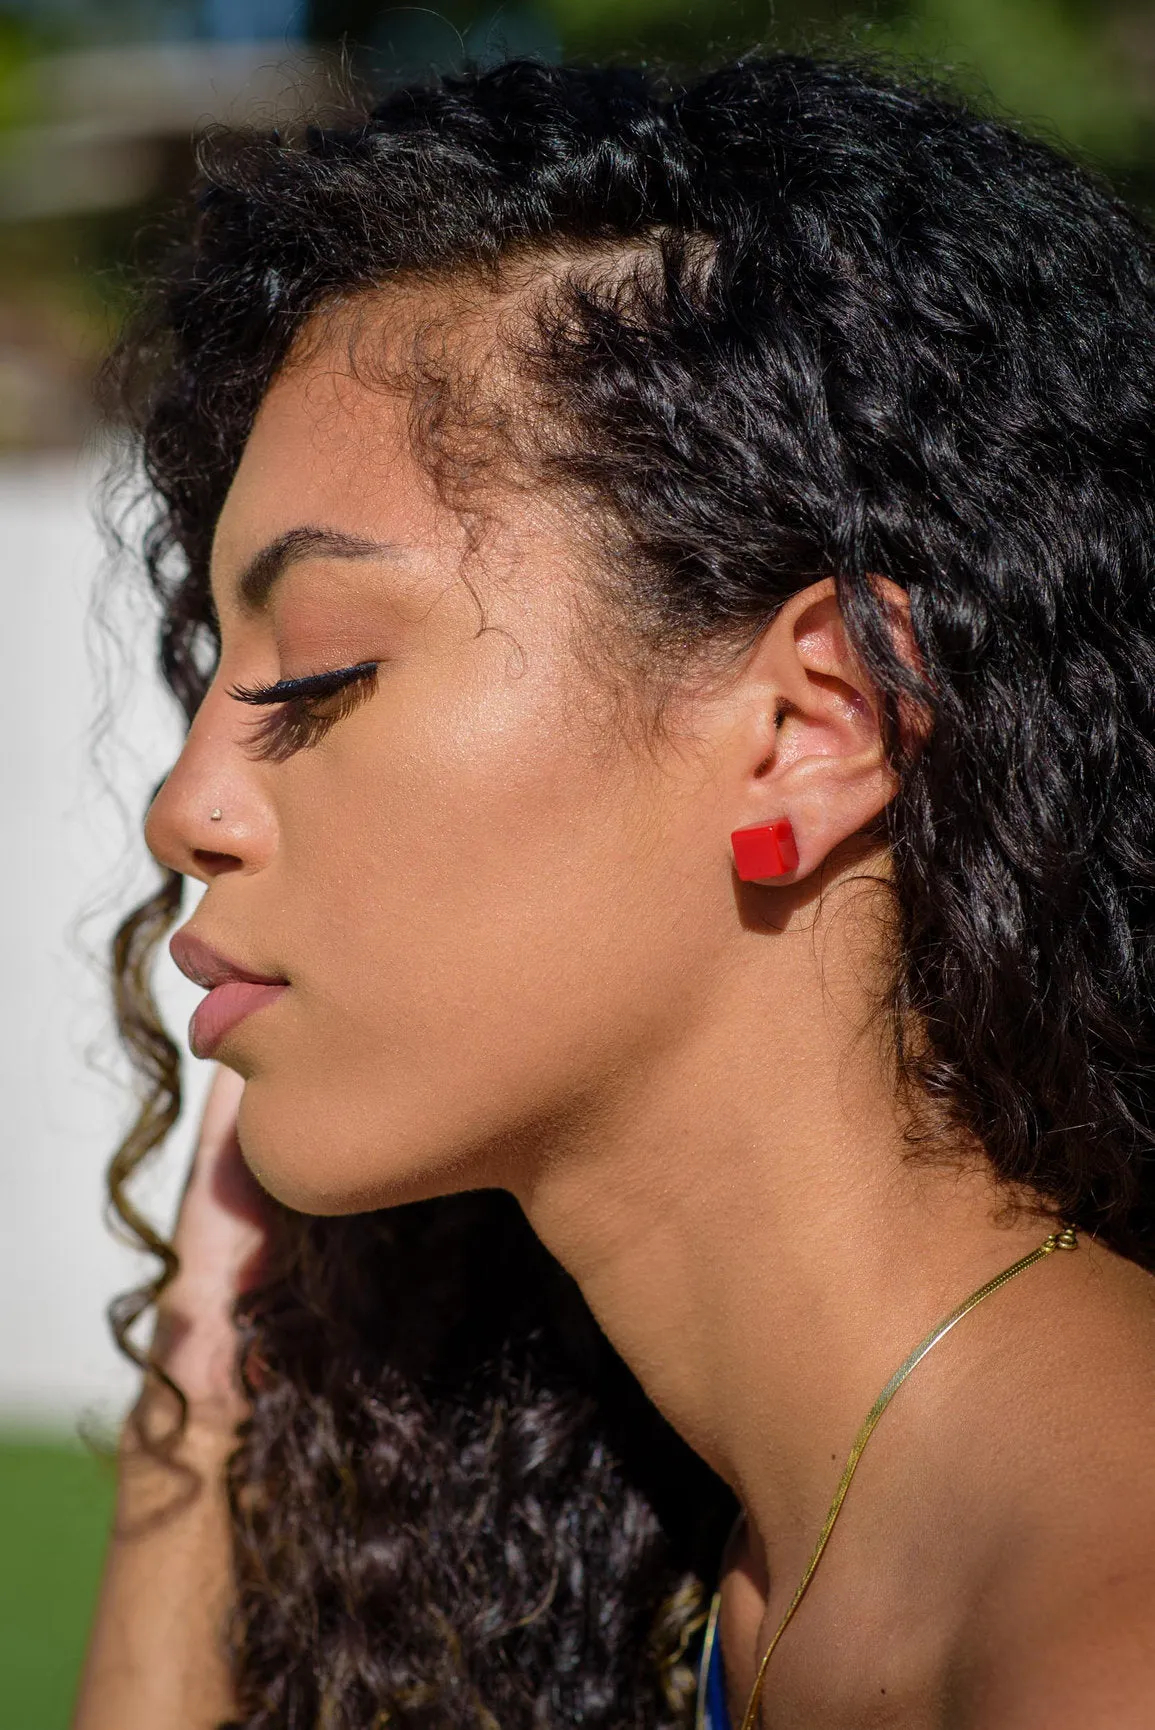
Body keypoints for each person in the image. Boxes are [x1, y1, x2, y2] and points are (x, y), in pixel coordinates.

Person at [74, 51, 1155, 1730]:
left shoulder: (1097, 1637)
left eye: (321, 674)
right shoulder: (726, 1570)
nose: (184, 809)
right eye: (217, 677)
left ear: (813, 727)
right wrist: (217, 1358)